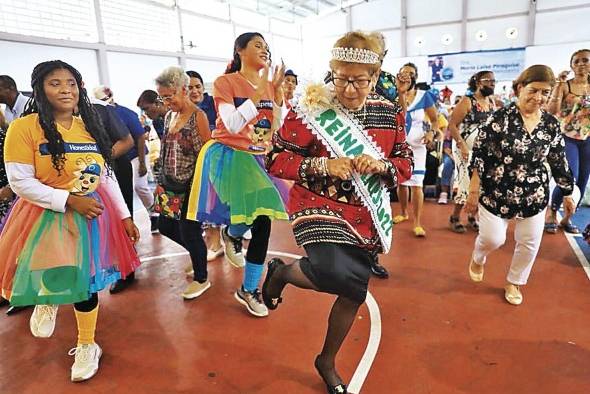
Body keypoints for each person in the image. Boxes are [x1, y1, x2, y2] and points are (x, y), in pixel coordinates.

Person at [263, 31, 413, 393]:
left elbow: (405, 163)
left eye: (359, 81)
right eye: (341, 78)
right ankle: (282, 274)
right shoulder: (311, 110)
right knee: (334, 271)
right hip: (317, 205)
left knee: (354, 291)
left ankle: (326, 361)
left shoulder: (390, 112)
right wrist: (323, 166)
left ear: (375, 77)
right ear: (331, 72)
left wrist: (380, 167)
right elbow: (275, 159)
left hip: (365, 213)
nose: (349, 89)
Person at [0, 60, 140, 381]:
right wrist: (67, 200)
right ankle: (47, 299)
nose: (66, 89)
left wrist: (125, 215)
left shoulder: (88, 127)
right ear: (40, 89)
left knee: (85, 283)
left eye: (71, 83)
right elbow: (20, 181)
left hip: (88, 214)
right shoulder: (24, 128)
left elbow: (104, 176)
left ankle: (87, 344)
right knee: (54, 268)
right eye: (55, 83)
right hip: (44, 213)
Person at [185, 32, 289, 317]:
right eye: (258, 45)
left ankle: (242, 265)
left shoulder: (269, 85)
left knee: (261, 220)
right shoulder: (225, 82)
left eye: (267, 47)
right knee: (260, 217)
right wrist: (258, 93)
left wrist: (277, 95)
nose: (264, 50)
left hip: (258, 158)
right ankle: (241, 259)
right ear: (240, 51)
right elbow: (231, 124)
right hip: (229, 156)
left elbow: (275, 126)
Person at [466, 65, 574, 306]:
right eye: (534, 90)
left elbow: (558, 160)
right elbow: (479, 155)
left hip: (533, 194)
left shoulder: (550, 125)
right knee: (493, 239)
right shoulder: (498, 118)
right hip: (496, 191)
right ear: (519, 88)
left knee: (529, 242)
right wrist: (473, 190)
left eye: (545, 93)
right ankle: (479, 256)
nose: (539, 97)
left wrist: (567, 192)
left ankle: (514, 281)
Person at [153, 66, 212, 300]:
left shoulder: (198, 117)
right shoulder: (169, 116)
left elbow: (206, 155)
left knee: (190, 231)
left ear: (184, 90)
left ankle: (202, 278)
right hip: (168, 183)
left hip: (191, 186)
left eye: (170, 96)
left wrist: (203, 190)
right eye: (163, 97)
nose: (167, 102)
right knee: (166, 226)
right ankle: (198, 252)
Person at [546, 49, 590, 234]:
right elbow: (551, 111)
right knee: (568, 177)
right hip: (567, 137)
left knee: (582, 180)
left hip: (587, 138)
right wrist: (558, 85)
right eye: (577, 61)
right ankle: (552, 213)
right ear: (572, 65)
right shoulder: (565, 85)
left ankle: (567, 218)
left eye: (585, 60)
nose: (581, 64)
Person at [393, 63, 440, 237]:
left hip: (419, 147)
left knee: (417, 184)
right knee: (402, 183)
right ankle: (403, 212)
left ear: (416, 76)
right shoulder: (395, 94)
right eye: (403, 72)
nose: (407, 75)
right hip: (399, 145)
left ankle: (417, 222)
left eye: (410, 73)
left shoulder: (424, 96)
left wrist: (431, 133)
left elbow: (435, 120)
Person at [448, 71, 496, 233]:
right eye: (488, 80)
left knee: (481, 183)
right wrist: (461, 145)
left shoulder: (491, 102)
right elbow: (452, 125)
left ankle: (471, 217)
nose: (492, 83)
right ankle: (455, 217)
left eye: (493, 81)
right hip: (464, 149)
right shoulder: (467, 101)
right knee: (464, 182)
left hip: (483, 151)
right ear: (477, 82)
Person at [185, 71, 224, 263]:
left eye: (197, 86)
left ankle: (227, 241)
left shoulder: (215, 105)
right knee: (206, 206)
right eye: (190, 87)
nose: (194, 91)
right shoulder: (183, 110)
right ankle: (215, 243)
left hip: (219, 163)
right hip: (196, 166)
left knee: (218, 204)